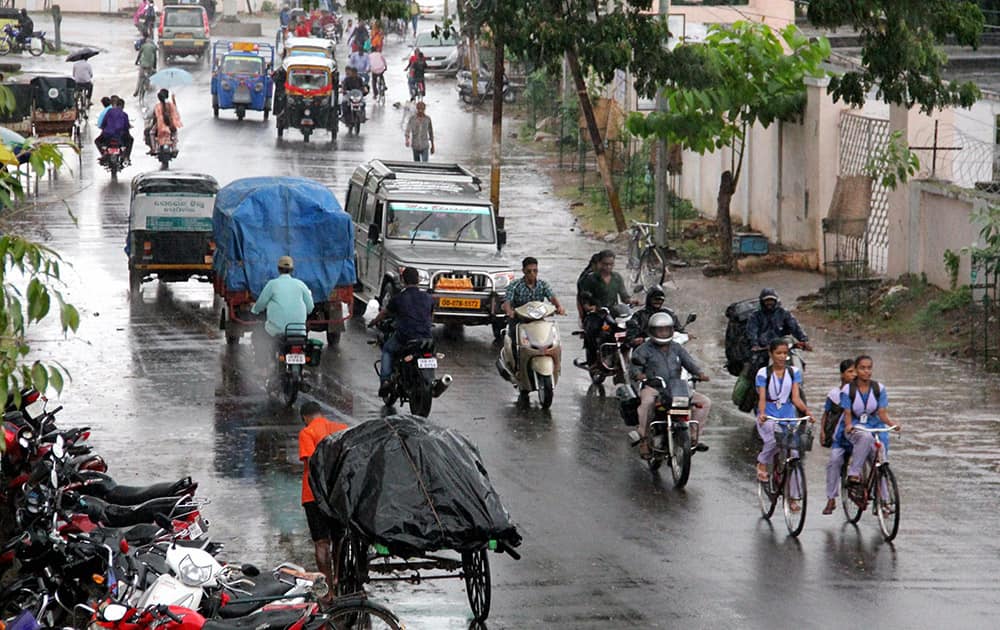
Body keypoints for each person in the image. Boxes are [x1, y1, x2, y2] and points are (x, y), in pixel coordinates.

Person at [630, 312, 711, 459]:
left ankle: (693, 437)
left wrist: (699, 373)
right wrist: (640, 375)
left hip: (676, 387)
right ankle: (643, 439)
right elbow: (635, 366)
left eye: (666, 329)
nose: (663, 333)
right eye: (659, 330)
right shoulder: (643, 349)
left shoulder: (676, 347)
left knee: (704, 402)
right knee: (647, 403)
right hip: (653, 387)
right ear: (652, 331)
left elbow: (689, 362)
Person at [298, 400, 348, 600]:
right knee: (340, 539)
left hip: (313, 496)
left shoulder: (307, 433)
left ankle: (327, 593)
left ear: (305, 417)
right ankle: (339, 578)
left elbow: (312, 463)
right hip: (339, 494)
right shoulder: (341, 429)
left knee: (321, 543)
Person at [754, 338, 812, 509]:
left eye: (785, 353)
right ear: (771, 354)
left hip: (788, 415)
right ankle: (762, 462)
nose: (782, 356)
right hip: (769, 415)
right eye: (778, 353)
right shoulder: (763, 373)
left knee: (794, 452)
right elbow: (762, 398)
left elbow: (795, 398)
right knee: (772, 439)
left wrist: (807, 412)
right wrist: (763, 414)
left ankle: (793, 496)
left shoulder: (794, 373)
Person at [839, 355, 901, 505]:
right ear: (857, 370)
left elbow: (882, 413)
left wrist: (893, 424)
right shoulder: (848, 390)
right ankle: (854, 473)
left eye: (869, 368)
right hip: (856, 427)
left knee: (882, 460)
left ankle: (884, 501)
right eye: (862, 368)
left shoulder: (879, 388)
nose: (866, 371)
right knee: (865, 437)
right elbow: (847, 414)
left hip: (876, 427)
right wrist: (848, 425)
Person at [368, 267, 434, 398]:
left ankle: (385, 381)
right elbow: (431, 316)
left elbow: (384, 313)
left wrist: (373, 322)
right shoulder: (428, 298)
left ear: (403, 281)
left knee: (387, 350)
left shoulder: (398, 298)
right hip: (426, 338)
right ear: (419, 280)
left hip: (405, 337)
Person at [502, 257, 566, 367]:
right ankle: (517, 365)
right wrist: (510, 311)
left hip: (538, 320)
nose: (532, 274)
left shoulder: (543, 285)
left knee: (551, 339)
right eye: (529, 271)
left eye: (535, 271)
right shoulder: (515, 285)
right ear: (523, 271)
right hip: (519, 319)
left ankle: (556, 365)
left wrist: (559, 307)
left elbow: (552, 297)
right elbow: (507, 302)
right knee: (514, 337)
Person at [250, 256, 315, 364]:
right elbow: (310, 307)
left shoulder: (272, 284)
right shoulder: (300, 284)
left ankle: (261, 364)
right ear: (292, 269)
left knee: (257, 335)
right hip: (298, 330)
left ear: (278, 269)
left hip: (276, 330)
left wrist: (255, 311)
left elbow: (261, 303)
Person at [821, 359, 856, 515]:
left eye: (856, 371)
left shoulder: (863, 393)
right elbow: (826, 414)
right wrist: (822, 431)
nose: (854, 375)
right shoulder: (834, 395)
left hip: (857, 436)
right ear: (842, 374)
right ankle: (831, 498)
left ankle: (881, 500)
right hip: (841, 438)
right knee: (834, 461)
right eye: (850, 371)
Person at [746, 287, 811, 371]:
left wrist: (803, 340)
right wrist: (754, 344)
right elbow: (752, 331)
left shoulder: (784, 313)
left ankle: (798, 381)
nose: (769, 303)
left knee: (797, 360)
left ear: (776, 301)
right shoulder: (755, 316)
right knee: (753, 367)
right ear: (762, 301)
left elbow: (794, 327)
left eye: (771, 300)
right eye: (767, 301)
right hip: (764, 347)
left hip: (781, 345)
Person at [96, 96, 133, 163]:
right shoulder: (124, 114)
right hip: (120, 136)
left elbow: (104, 123)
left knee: (97, 141)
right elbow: (126, 126)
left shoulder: (109, 111)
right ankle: (126, 157)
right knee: (131, 140)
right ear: (122, 106)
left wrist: (103, 128)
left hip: (108, 135)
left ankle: (103, 154)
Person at [150, 89, 182, 153]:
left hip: (160, 126)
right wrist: (173, 99)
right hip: (170, 125)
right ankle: (174, 148)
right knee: (175, 132)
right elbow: (175, 111)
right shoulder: (170, 105)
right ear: (167, 96)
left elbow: (154, 116)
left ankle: (154, 148)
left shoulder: (157, 106)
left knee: (151, 133)